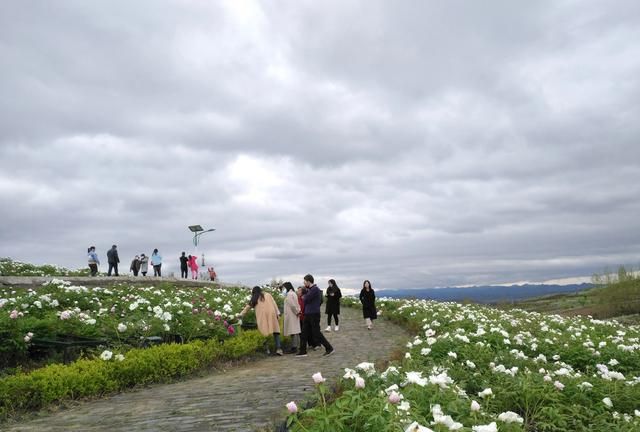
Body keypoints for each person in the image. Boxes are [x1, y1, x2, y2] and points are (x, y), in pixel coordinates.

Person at [297, 274, 334, 357]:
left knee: (316, 333)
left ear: (308, 281)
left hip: (314, 314)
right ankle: (302, 351)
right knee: (304, 332)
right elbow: (305, 299)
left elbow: (305, 299)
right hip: (308, 313)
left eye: (305, 281)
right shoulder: (310, 290)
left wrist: (304, 295)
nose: (304, 283)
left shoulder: (315, 289)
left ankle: (329, 348)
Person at [239, 286, 283, 356]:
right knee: (276, 332)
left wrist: (240, 314)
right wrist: (278, 313)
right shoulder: (268, 295)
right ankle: (279, 349)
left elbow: (248, 307)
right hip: (272, 315)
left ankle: (267, 350)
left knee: (263, 332)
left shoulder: (255, 298)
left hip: (262, 316)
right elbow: (274, 303)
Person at [282, 282, 301, 354]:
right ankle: (296, 346)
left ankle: (294, 347)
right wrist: (298, 311)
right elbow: (296, 304)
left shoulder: (289, 294)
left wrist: (296, 312)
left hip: (291, 315)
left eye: (284, 288)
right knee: (295, 331)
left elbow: (292, 305)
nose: (283, 289)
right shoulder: (293, 293)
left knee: (293, 332)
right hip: (294, 314)